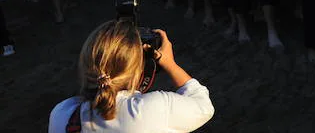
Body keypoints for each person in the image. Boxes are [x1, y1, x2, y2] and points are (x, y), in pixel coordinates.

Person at [48, 22, 213, 132]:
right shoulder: (153, 108)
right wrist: (169, 63)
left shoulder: (62, 114)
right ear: (137, 68)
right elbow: (203, 106)